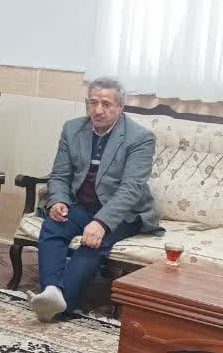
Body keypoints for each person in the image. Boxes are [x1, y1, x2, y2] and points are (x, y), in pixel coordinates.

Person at [30, 76, 160, 322]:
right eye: (93, 103)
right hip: (82, 206)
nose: (98, 110)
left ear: (120, 107)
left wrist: (101, 222)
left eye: (106, 104)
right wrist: (58, 201)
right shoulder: (72, 129)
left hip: (122, 213)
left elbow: (131, 189)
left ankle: (62, 305)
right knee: (53, 225)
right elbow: (60, 175)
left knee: (92, 243)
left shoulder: (140, 137)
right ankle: (51, 291)